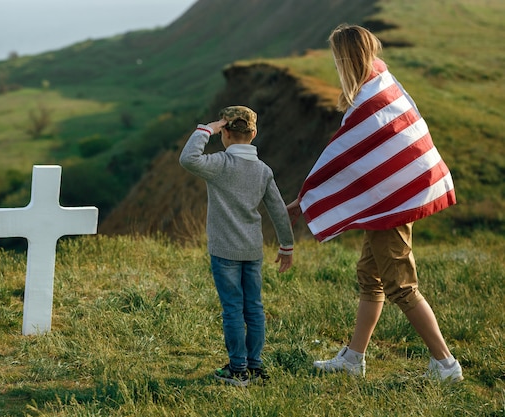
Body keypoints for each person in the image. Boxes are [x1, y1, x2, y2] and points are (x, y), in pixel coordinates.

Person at [287, 24, 463, 382]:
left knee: (401, 285)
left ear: (346, 58)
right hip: (395, 195)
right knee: (371, 278)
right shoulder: (379, 79)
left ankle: (445, 364)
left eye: (337, 56)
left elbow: (343, 160)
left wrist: (304, 200)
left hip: (394, 201)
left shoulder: (371, 98)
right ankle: (354, 358)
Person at [179, 105, 294, 387]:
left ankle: (238, 369)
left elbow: (188, 159)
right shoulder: (263, 170)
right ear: (254, 133)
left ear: (225, 133)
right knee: (254, 308)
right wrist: (286, 246)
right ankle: (255, 367)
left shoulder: (219, 164)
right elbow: (278, 210)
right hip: (252, 251)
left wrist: (206, 128)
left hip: (224, 251)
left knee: (232, 309)